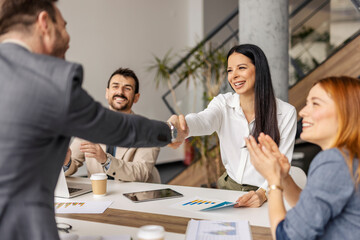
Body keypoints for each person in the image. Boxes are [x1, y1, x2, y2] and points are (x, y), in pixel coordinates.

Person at [0, 1, 187, 239]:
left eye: (127, 88)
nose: (68, 37)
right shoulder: (54, 79)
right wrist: (170, 131)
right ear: (44, 23)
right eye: (64, 26)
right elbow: (115, 127)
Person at [169, 44, 297, 207]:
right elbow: (203, 121)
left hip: (266, 194)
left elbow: (282, 163)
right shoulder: (223, 103)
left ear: (259, 70)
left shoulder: (286, 113)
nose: (234, 76)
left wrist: (262, 194)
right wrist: (181, 127)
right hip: (227, 190)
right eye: (230, 70)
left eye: (241, 68)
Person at [246, 76, 360, 239]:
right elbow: (311, 211)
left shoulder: (334, 160)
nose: (303, 112)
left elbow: (286, 235)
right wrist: (283, 176)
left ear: (346, 112)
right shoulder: (348, 157)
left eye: (315, 103)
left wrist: (273, 181)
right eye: (307, 103)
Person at [64, 68, 162, 183]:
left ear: (136, 97)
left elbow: (141, 173)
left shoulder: (148, 131)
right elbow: (73, 162)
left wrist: (105, 160)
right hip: (101, 196)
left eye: (127, 88)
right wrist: (66, 162)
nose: (120, 92)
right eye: (115, 86)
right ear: (107, 92)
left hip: (136, 197)